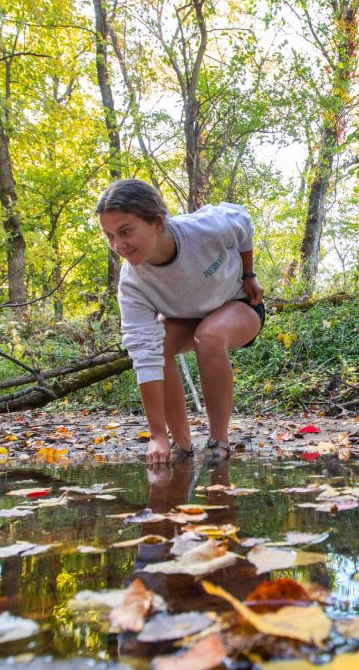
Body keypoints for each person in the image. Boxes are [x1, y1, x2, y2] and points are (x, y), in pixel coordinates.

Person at [97, 179, 264, 463]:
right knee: (159, 347)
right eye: (109, 235)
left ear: (158, 223)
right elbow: (144, 354)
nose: (118, 245)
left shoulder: (204, 229)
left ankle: (217, 442)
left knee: (208, 335)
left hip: (238, 305)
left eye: (125, 231)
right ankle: (180, 445)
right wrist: (156, 435)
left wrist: (249, 274)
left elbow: (244, 222)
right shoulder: (132, 284)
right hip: (186, 317)